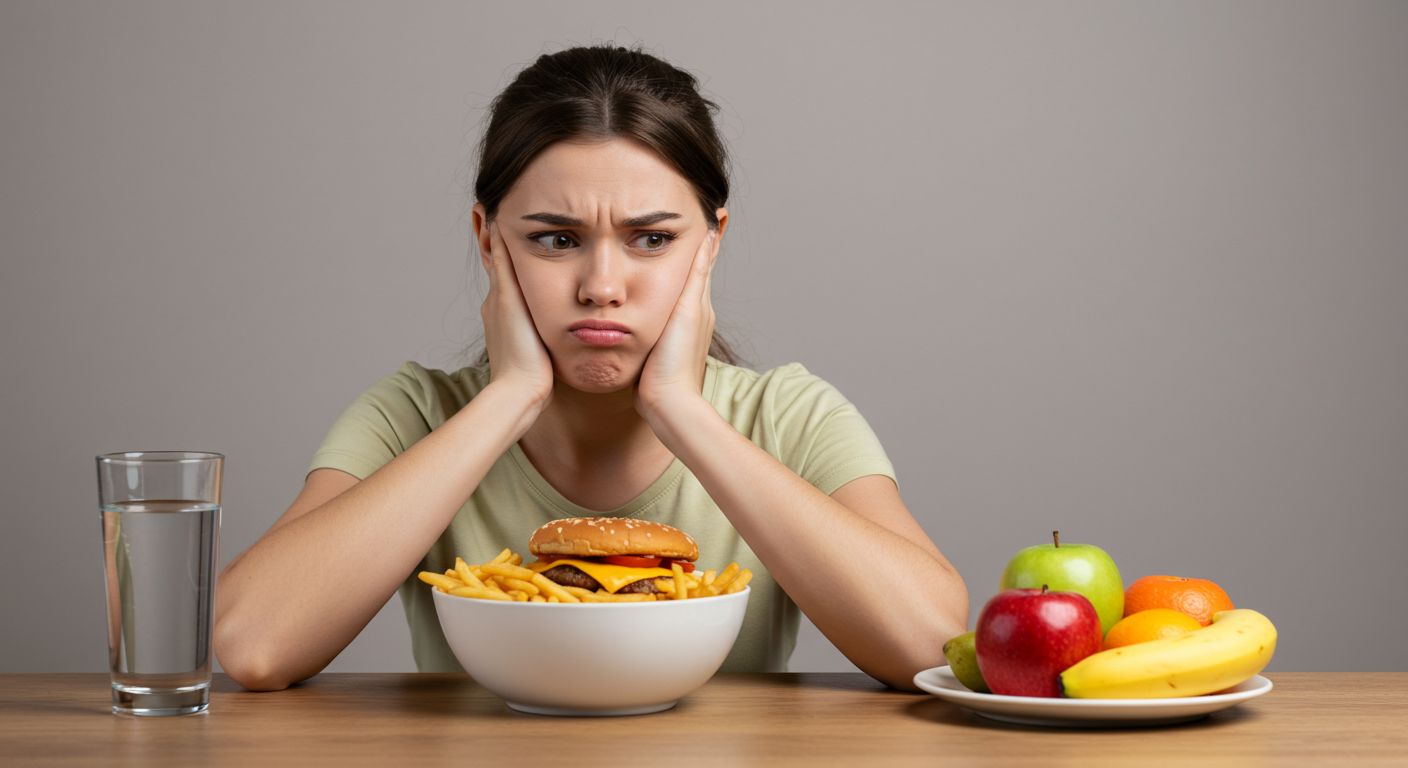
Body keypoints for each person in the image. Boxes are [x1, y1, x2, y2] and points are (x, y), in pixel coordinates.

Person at [214, 44, 969, 692]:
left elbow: (929, 644)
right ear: (488, 239)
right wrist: (510, 396)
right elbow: (253, 644)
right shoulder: (411, 415)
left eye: (652, 240)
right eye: (556, 239)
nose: (602, 286)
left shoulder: (789, 418)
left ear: (711, 243)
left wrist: (681, 410)